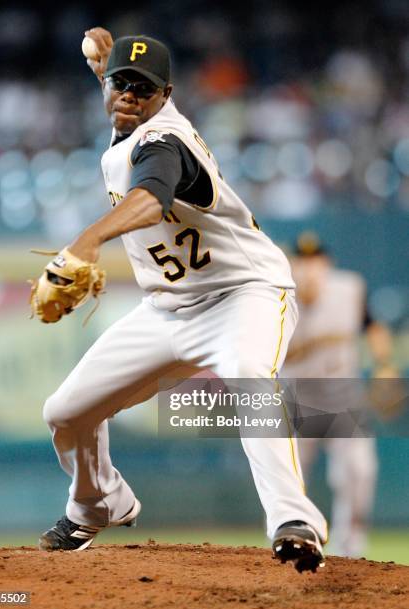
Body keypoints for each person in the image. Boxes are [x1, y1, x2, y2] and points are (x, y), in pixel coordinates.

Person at [38, 27, 327, 572]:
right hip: (167, 309)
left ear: (166, 96)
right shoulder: (128, 113)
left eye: (143, 88)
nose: (128, 94)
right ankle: (96, 503)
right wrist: (105, 63)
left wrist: (87, 240)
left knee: (250, 375)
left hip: (245, 295)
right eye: (120, 83)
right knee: (66, 413)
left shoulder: (163, 142)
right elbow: (120, 89)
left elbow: (150, 197)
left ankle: (295, 522)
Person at [283, 232, 382, 557]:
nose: (311, 267)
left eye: (317, 260)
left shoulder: (349, 288)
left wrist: (385, 365)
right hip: (298, 400)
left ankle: (351, 551)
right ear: (292, 264)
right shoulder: (279, 296)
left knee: (359, 472)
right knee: (288, 477)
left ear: (328, 263)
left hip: (343, 400)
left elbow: (372, 326)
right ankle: (288, 540)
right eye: (303, 260)